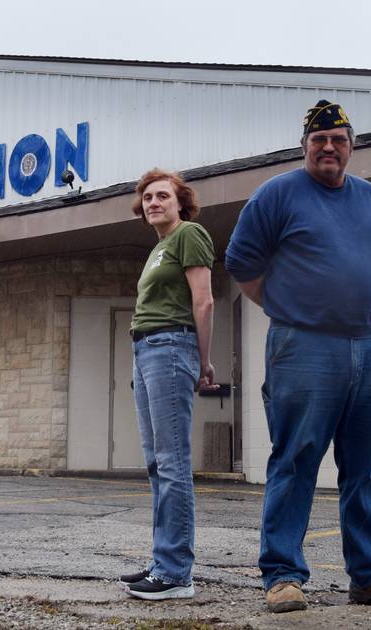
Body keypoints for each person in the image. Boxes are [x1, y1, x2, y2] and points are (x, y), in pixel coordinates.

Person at [224, 99, 371, 612]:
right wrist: (290, 307)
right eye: (319, 140)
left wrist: (350, 304)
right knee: (295, 459)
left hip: (370, 348)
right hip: (303, 347)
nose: (329, 148)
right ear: (305, 147)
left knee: (367, 466)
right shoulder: (277, 195)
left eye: (338, 139)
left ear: (351, 147)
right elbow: (242, 263)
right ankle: (282, 576)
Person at [119, 168, 216, 600]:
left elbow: (204, 299)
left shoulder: (188, 234)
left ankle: (177, 574)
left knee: (172, 462)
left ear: (180, 203)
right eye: (148, 198)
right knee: (157, 463)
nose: (153, 202)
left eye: (162, 196)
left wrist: (203, 359)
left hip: (171, 347)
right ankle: (163, 561)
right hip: (145, 351)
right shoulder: (158, 249)